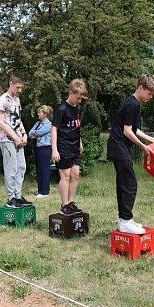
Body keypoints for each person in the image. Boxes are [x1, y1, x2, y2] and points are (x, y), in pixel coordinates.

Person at [107, 74, 154, 234]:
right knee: (129, 185)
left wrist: (151, 139)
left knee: (125, 183)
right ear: (141, 88)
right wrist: (144, 147)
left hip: (119, 148)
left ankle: (126, 220)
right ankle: (125, 221)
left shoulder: (132, 102)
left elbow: (134, 129)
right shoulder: (133, 105)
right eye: (149, 93)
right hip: (119, 148)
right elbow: (127, 131)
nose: (150, 97)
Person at [51, 79, 88, 216]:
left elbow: (76, 126)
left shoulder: (77, 108)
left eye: (81, 99)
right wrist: (54, 149)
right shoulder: (61, 108)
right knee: (65, 175)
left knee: (75, 174)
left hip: (75, 146)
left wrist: (80, 142)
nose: (79, 101)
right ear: (71, 93)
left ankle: (71, 203)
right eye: (78, 98)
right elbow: (54, 128)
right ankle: (64, 204)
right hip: (63, 146)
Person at [0, 74, 30, 208]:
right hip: (7, 139)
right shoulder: (3, 99)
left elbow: (17, 119)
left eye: (21, 88)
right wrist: (15, 137)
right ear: (11, 84)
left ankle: (18, 196)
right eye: (17, 87)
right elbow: (0, 122)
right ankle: (11, 198)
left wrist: (23, 134)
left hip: (18, 138)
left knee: (21, 167)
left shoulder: (17, 100)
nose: (19, 90)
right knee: (11, 169)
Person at [28, 105, 53, 198]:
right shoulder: (37, 123)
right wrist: (34, 134)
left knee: (44, 169)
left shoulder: (48, 124)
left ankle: (45, 191)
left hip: (45, 149)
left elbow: (39, 133)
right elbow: (30, 133)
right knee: (39, 169)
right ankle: (40, 190)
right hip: (37, 149)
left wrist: (35, 134)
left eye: (40, 112)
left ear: (45, 114)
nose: (38, 114)